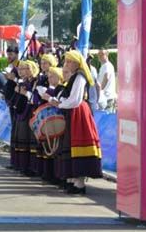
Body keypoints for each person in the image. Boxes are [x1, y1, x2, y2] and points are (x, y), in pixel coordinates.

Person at [41, 50, 102, 194]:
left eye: (69, 61)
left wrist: (58, 104)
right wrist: (59, 102)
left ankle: (79, 183)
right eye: (66, 61)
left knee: (78, 144)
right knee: (69, 144)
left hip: (78, 113)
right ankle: (73, 180)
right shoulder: (75, 76)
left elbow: (75, 100)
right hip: (73, 112)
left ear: (77, 62)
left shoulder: (80, 76)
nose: (66, 64)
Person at [8, 60, 38, 174]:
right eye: (21, 69)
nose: (22, 71)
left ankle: (30, 167)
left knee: (28, 138)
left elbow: (35, 98)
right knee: (19, 137)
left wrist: (24, 93)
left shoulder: (35, 81)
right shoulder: (22, 81)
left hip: (29, 112)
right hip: (20, 111)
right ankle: (19, 163)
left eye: (25, 69)